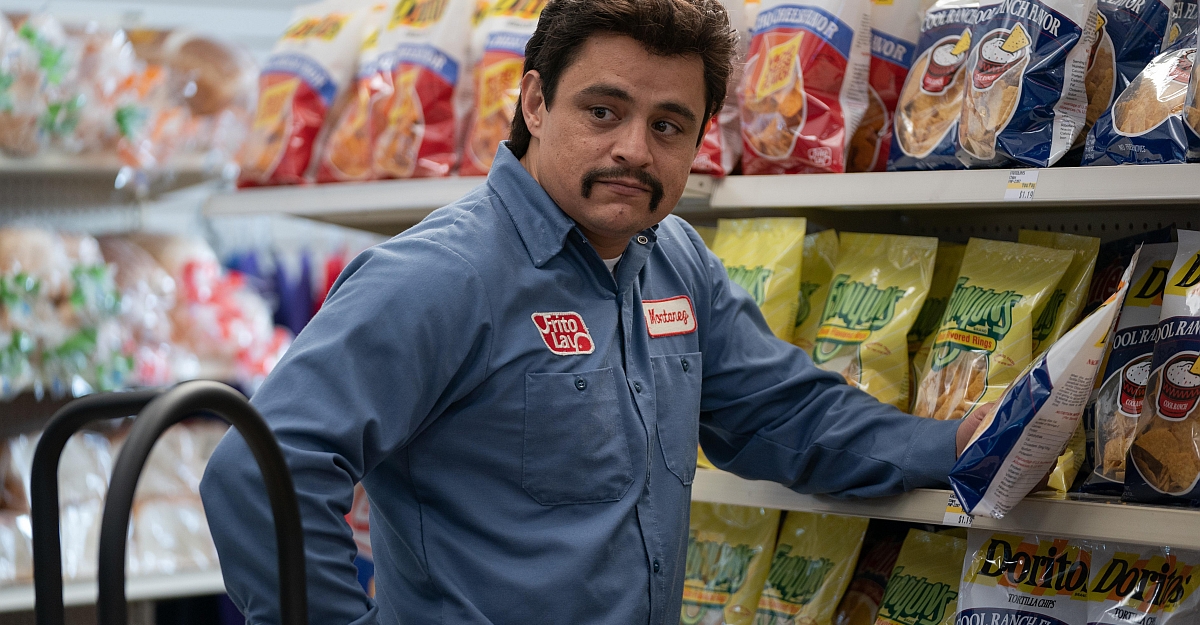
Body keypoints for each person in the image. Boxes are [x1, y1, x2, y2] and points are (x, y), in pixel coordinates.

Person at [200, 0, 984, 622]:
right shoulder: (442, 276)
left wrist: (956, 442)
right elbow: (258, 473)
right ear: (536, 102)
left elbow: (785, 414)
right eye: (603, 111)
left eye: (668, 125)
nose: (635, 149)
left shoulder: (676, 263)